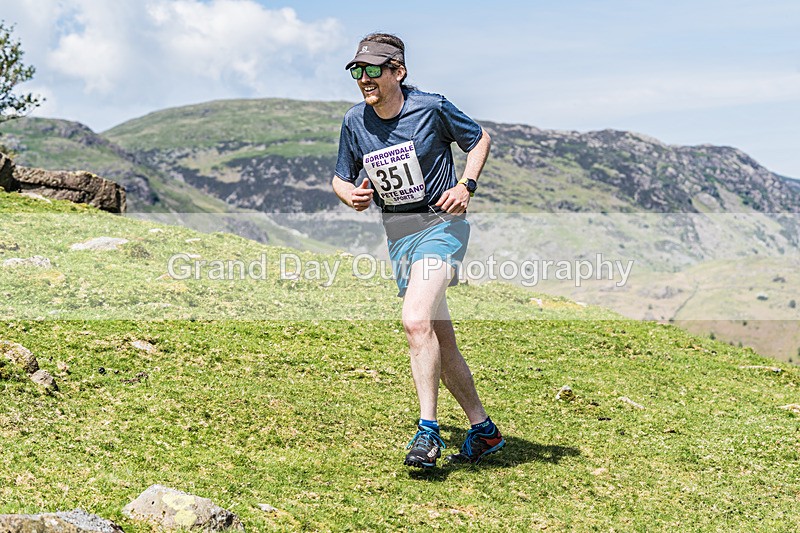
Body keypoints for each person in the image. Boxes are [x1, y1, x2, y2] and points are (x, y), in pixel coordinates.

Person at [331, 33, 504, 469]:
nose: (364, 79)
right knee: (438, 339)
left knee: (414, 321)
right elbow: (340, 176)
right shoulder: (355, 122)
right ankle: (483, 431)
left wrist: (466, 186)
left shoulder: (431, 107)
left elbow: (480, 138)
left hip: (441, 226)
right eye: (358, 71)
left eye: (374, 70)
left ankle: (428, 433)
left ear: (398, 72)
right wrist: (348, 194)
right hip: (399, 234)